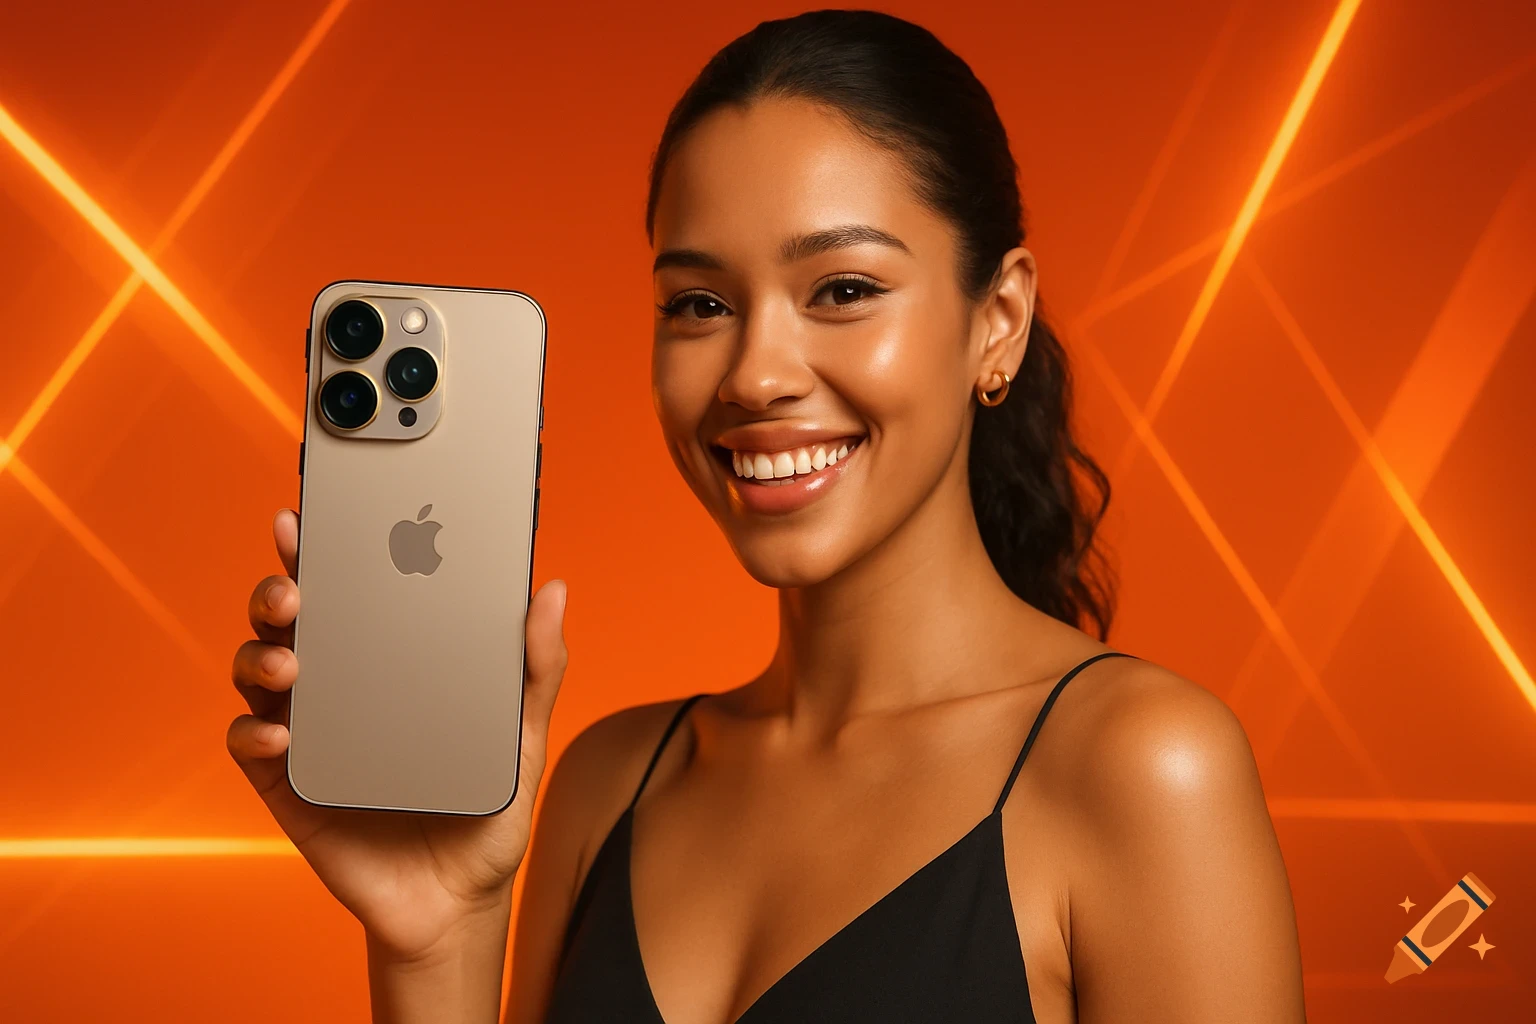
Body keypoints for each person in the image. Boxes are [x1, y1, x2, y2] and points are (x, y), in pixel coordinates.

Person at [227, 9, 1304, 1023]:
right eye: (700, 304)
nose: (753, 374)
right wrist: (437, 940)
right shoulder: (608, 781)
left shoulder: (1142, 770)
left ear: (1000, 320)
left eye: (842, 290)